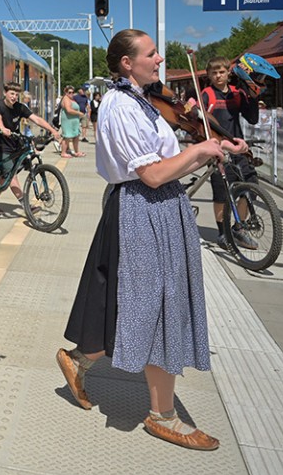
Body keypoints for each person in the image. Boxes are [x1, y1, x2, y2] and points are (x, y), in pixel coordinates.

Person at [57, 29, 249, 451]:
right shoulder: (119, 105)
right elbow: (153, 173)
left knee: (148, 304)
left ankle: (79, 359)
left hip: (159, 208)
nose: (160, 59)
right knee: (158, 307)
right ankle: (164, 416)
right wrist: (200, 153)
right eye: (152, 53)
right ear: (127, 63)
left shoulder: (143, 100)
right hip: (143, 208)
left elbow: (168, 149)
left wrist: (216, 140)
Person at [201, 56, 260, 251]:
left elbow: (252, 118)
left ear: (228, 73)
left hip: (239, 147)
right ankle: (222, 233)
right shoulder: (207, 94)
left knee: (250, 187)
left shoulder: (237, 93)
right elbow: (200, 124)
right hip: (218, 149)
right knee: (221, 193)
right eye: (214, 72)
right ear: (209, 75)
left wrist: (253, 95)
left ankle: (238, 229)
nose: (218, 76)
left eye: (221, 72)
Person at [0, 81, 62, 213]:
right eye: (12, 93)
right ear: (5, 93)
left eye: (16, 94)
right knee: (11, 176)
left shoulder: (20, 107)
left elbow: (36, 119)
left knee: (6, 176)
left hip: (14, 144)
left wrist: (53, 130)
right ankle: (26, 205)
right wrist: (2, 128)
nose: (14, 97)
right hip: (0, 145)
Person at [58, 85, 86, 159]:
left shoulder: (72, 99)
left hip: (74, 121)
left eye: (73, 92)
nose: (71, 94)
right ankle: (63, 152)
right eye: (69, 92)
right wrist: (79, 113)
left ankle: (77, 151)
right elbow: (68, 110)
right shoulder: (66, 99)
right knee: (67, 136)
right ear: (66, 92)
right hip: (68, 120)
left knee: (76, 136)